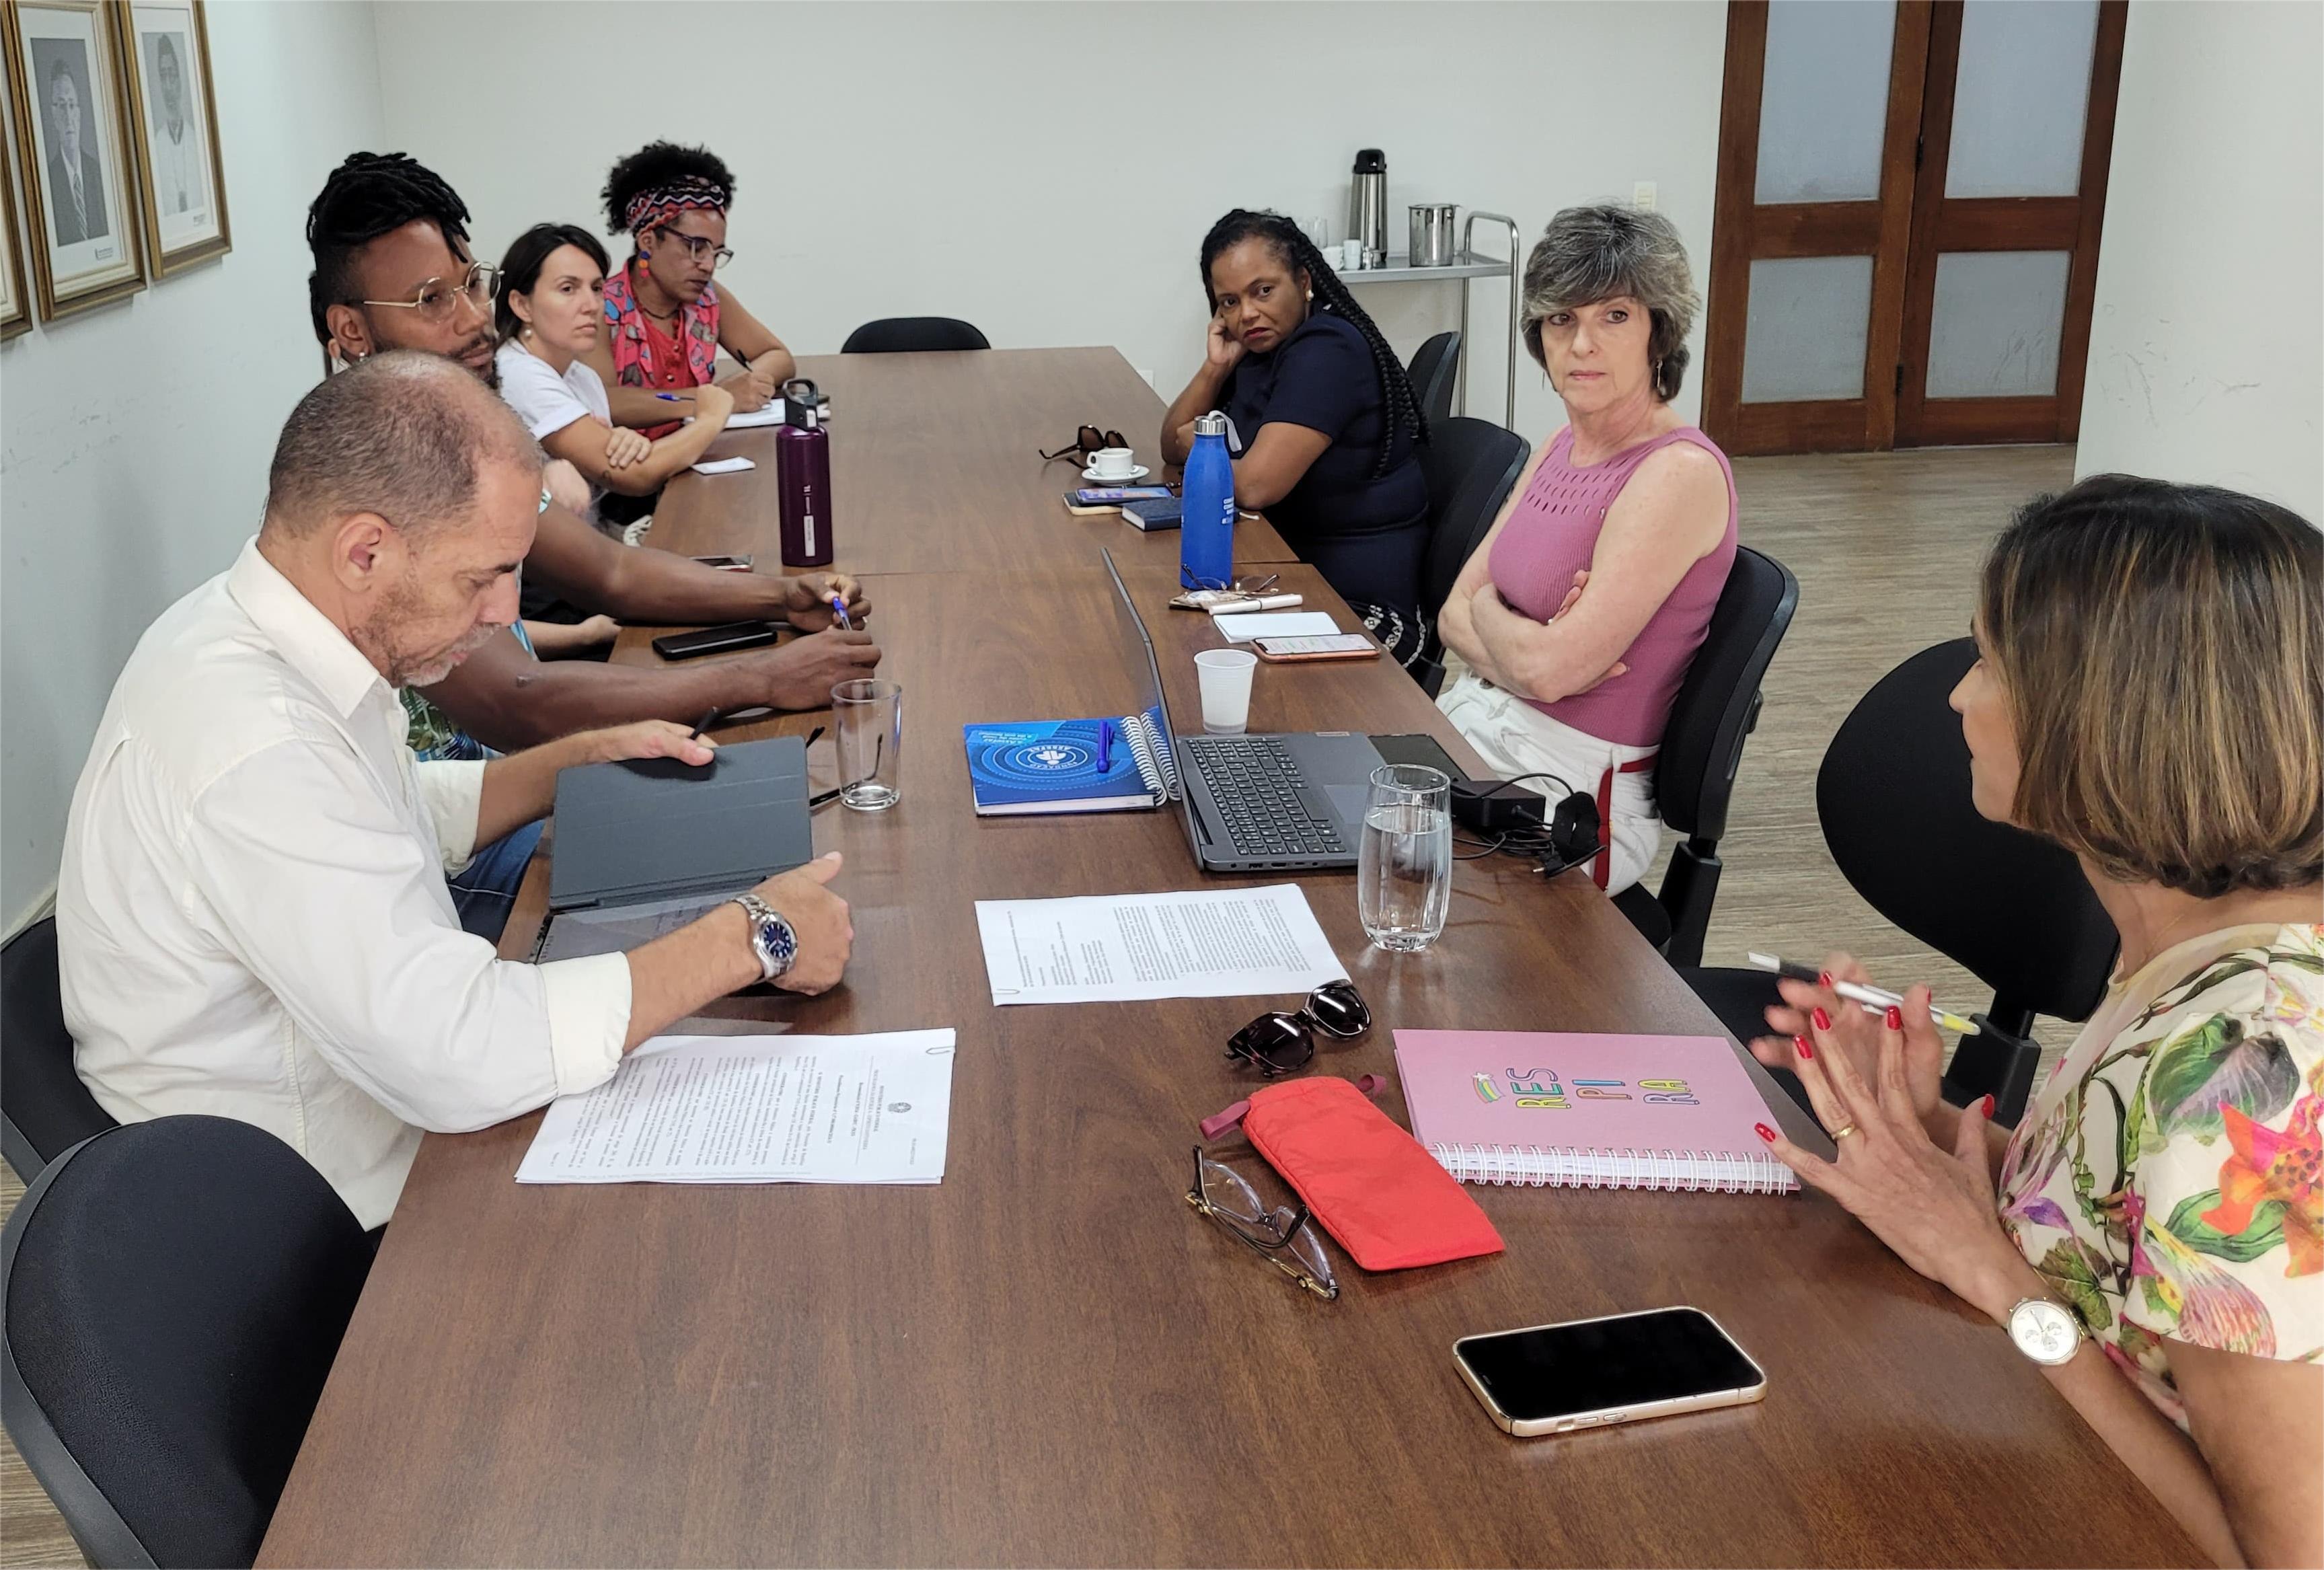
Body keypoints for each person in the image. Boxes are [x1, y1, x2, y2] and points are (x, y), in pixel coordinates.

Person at [57, 353, 858, 1231]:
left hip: (359, 1110)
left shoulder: (246, 628)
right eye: (483, 577)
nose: (502, 611)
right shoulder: (255, 745)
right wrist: (754, 936)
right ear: (365, 550)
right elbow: (454, 1053)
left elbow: (377, 813)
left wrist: (570, 763)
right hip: (305, 1221)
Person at [1749, 477, 2321, 1569]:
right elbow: (2140, 1233)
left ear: (2113, 714)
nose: (1960, 698)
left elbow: (2277, 1553)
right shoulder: (2187, 956)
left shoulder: (2254, 1073)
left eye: (1991, 663)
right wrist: (1933, 1133)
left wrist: (1994, 1273)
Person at [307, 153, 879, 752]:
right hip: (468, 834)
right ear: (351, 332)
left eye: (472, 283)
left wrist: (785, 597)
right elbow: (517, 700)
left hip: (523, 788)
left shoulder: (460, 441)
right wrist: (761, 679)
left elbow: (612, 572)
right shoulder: (369, 485)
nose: (476, 318)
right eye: (431, 300)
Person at [1433, 205, 1735, 895]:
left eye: (1614, 317)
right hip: (1476, 731)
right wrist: (1519, 638)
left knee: (1365, 880)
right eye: (1560, 319)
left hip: (1572, 806)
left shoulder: (1677, 472)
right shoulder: (1559, 447)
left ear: (1659, 330)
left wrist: (1512, 634)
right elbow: (1453, 616)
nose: (1582, 344)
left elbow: (1546, 671)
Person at [1158, 209, 1431, 637]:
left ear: (1304, 282)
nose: (1246, 313)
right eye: (1229, 302)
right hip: (1288, 577)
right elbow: (1169, 446)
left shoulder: (1328, 350)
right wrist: (1216, 368)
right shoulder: (1260, 352)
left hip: (1361, 609)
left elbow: (1255, 485)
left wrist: (1203, 448)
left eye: (1263, 291)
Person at [494, 222, 735, 528]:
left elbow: (622, 467)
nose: (592, 306)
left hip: (592, 544)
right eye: (568, 289)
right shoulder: (518, 374)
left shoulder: (581, 376)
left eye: (596, 289)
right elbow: (635, 475)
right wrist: (711, 418)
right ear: (521, 305)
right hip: (548, 568)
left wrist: (625, 442)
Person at [585, 141, 795, 443]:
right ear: (648, 242)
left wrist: (750, 382)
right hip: (629, 474)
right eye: (695, 247)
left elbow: (777, 356)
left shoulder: (708, 298)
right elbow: (606, 402)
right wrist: (712, 399)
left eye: (716, 252)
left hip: (694, 460)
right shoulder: (600, 306)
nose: (708, 265)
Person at [43, 58, 107, 246]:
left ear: (79, 112)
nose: (68, 116)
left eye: (72, 105)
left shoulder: (98, 173)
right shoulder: (48, 182)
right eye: (62, 106)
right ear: (53, 115)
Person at [147, 34, 196, 216]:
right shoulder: (157, 142)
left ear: (181, 79)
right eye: (163, 76)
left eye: (172, 75)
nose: (168, 86)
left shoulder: (196, 138)